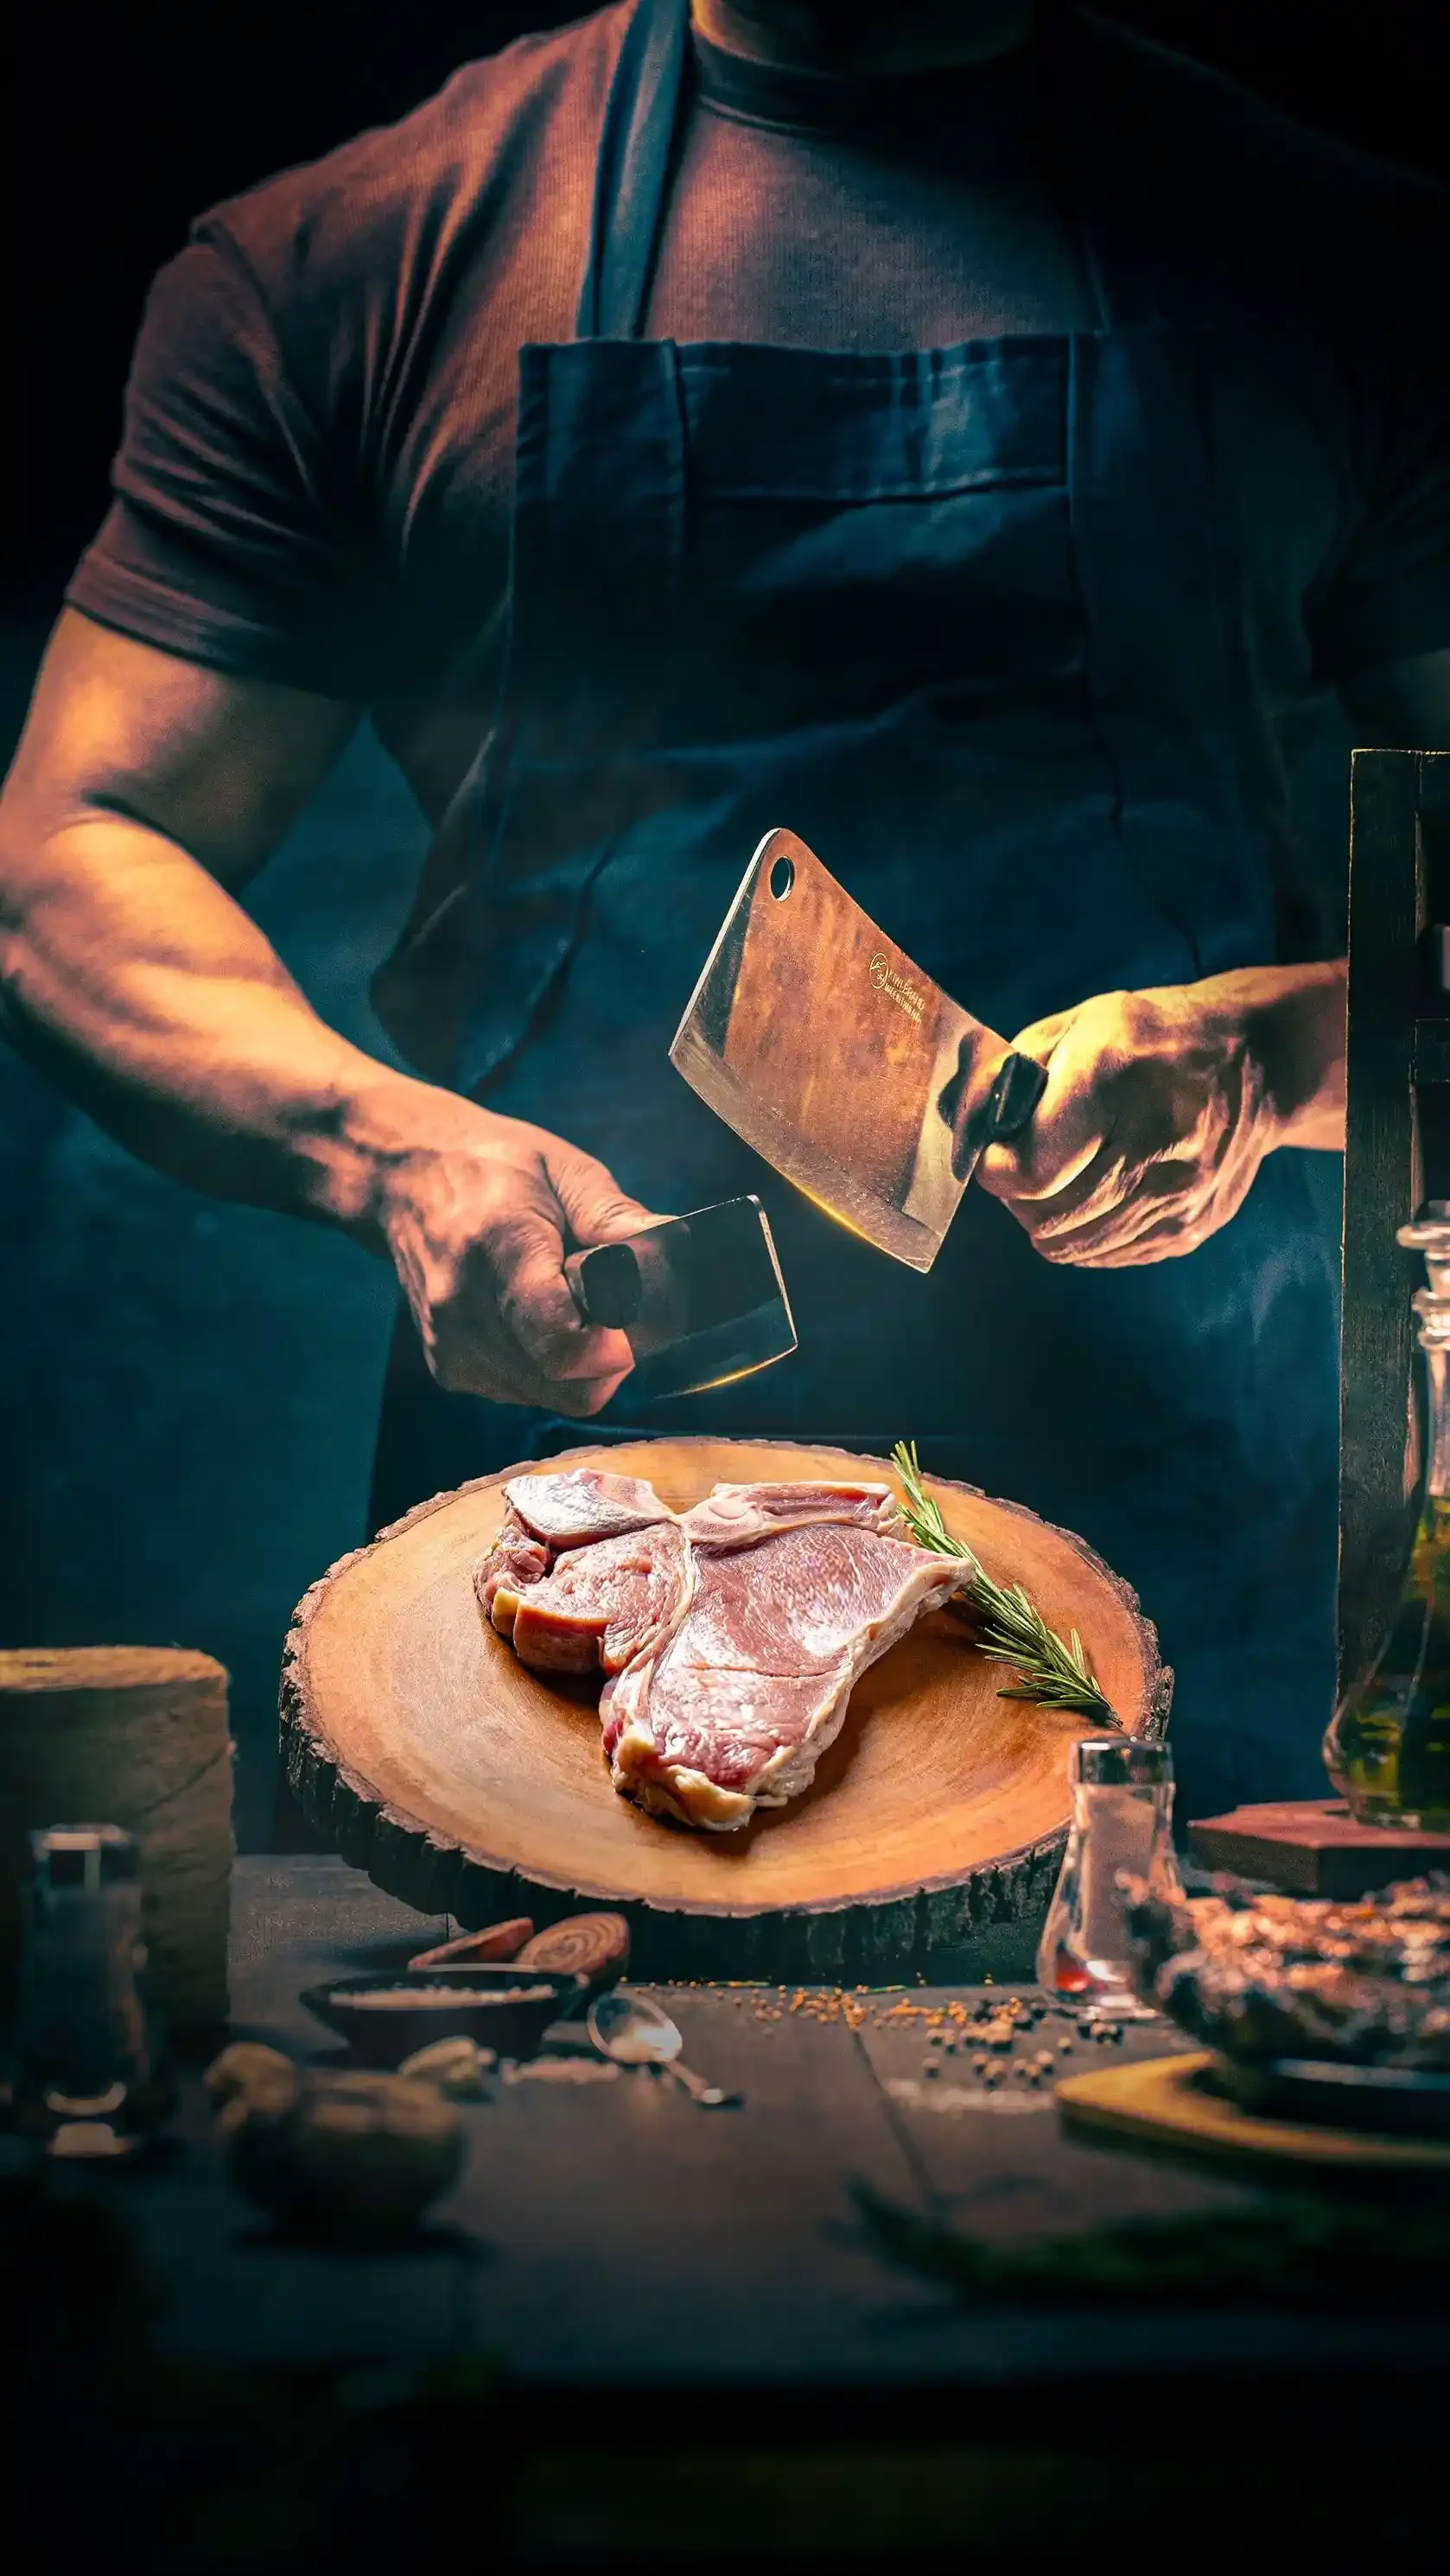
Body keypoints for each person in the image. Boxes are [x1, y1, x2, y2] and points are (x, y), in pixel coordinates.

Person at [3, 0, 1449, 1825]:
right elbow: (71, 849)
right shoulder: (360, 259)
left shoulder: (1349, 265)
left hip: (1190, 1600)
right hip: (585, 1545)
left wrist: (1277, 1053)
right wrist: (389, 1154)